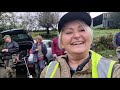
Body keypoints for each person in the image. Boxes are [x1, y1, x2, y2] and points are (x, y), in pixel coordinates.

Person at [40, 12, 120, 78]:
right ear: (61, 42)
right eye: (69, 32)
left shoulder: (114, 70)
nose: (77, 36)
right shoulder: (47, 71)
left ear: (90, 37)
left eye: (82, 30)